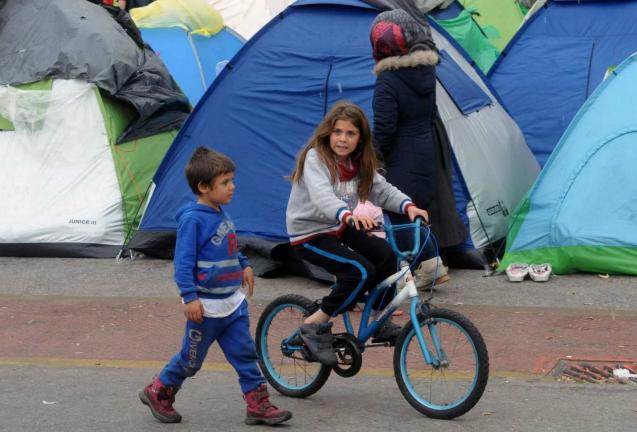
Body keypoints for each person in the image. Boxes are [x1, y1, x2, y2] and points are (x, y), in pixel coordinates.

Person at [139, 147, 292, 425]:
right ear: (203, 186)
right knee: (191, 361)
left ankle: (258, 405)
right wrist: (189, 298)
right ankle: (158, 391)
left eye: (232, 180)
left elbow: (229, 246)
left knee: (245, 354)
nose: (232, 187)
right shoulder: (193, 219)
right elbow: (183, 263)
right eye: (225, 182)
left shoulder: (220, 212)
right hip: (206, 309)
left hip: (232, 304)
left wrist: (244, 264)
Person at [286, 101, 429, 366]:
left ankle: (380, 321)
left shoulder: (358, 163)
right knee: (359, 271)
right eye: (338, 132)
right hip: (309, 232)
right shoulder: (316, 158)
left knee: (386, 255)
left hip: (339, 225)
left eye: (351, 133)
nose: (343, 139)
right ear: (328, 133)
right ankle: (313, 325)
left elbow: (382, 190)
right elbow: (322, 197)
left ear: (360, 138)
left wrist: (408, 206)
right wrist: (347, 215)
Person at [370, 9, 450, 289]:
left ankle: (423, 268)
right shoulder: (426, 71)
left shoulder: (388, 80)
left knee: (399, 213)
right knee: (416, 210)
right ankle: (430, 266)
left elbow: (384, 128)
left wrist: (372, 158)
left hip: (400, 158)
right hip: (425, 150)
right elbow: (431, 115)